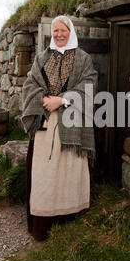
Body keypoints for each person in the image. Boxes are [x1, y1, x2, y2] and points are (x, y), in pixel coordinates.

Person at [21, 15, 98, 241]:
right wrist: (43, 100)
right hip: (45, 122)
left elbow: (90, 85)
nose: (59, 34)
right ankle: (43, 222)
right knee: (44, 173)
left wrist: (62, 100)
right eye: (55, 31)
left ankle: (69, 219)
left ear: (70, 32)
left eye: (63, 30)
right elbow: (30, 84)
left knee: (69, 170)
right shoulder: (42, 57)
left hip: (71, 123)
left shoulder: (83, 59)